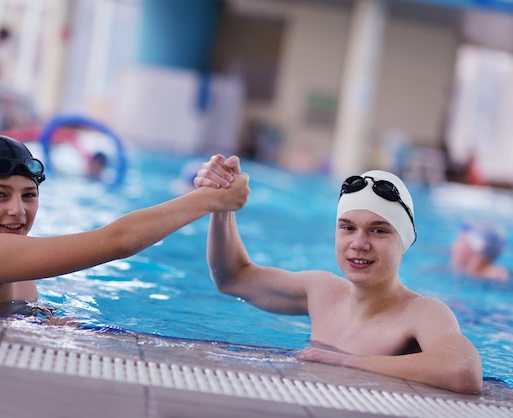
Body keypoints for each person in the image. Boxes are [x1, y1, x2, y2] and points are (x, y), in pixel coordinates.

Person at [194, 154, 483, 394]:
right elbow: (232, 277)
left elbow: (463, 371)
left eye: (378, 230)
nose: (359, 243)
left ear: (403, 241)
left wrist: (348, 362)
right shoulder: (322, 290)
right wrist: (222, 207)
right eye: (347, 227)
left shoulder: (421, 312)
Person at [0, 135, 249, 317]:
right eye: (0, 195)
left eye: (29, 195)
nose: (18, 210)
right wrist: (210, 200)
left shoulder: (18, 270)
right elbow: (118, 240)